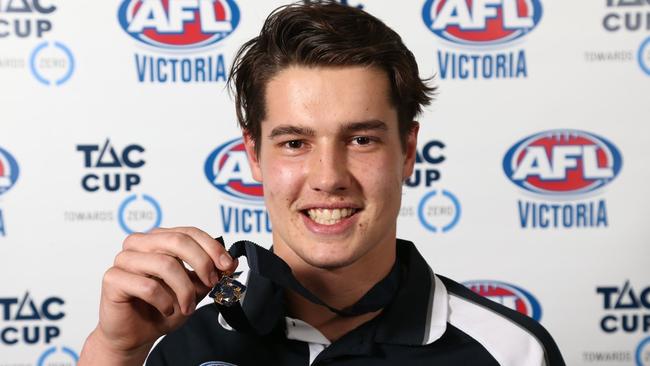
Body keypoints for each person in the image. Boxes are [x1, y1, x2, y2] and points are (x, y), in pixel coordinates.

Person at [79, 2, 565, 365]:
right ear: (254, 155)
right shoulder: (175, 340)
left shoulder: (511, 352)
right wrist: (115, 350)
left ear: (408, 151)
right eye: (294, 143)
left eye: (361, 139)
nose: (329, 178)